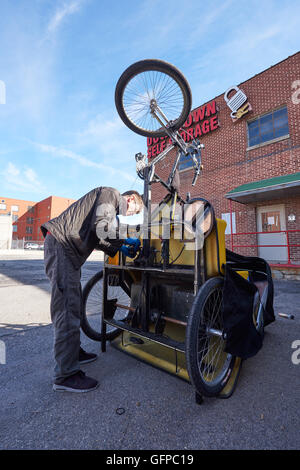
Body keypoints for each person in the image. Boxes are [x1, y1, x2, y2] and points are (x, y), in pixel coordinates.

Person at [41, 187, 143, 393]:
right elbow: (101, 228)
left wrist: (118, 247)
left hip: (67, 251)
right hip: (62, 247)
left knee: (74, 305)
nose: (129, 215)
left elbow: (98, 236)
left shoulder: (108, 206)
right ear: (131, 199)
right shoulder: (111, 195)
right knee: (67, 311)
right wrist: (124, 240)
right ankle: (65, 375)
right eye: (134, 211)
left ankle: (72, 353)